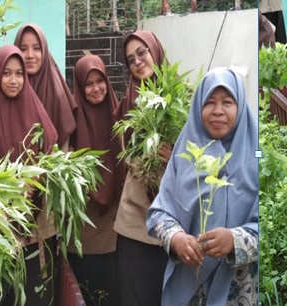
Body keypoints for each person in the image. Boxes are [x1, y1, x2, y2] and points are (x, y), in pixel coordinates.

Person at [147, 67, 258, 305]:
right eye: (210, 102)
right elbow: (159, 212)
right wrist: (176, 239)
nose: (218, 111)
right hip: (190, 288)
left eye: (227, 102)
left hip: (239, 288)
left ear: (239, 106)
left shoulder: (258, 154)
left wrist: (234, 240)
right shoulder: (185, 151)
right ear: (199, 107)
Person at [0, 45, 60, 306]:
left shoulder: (37, 112)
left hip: (35, 232)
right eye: (6, 73)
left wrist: (38, 179)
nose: (13, 80)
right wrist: (10, 187)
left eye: (19, 73)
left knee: (34, 297)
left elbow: (52, 161)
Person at [113, 30, 172, 306]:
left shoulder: (180, 98)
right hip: (135, 221)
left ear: (155, 51)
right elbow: (123, 155)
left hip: (174, 224)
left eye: (142, 53)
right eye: (130, 59)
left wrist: (175, 157)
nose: (137, 62)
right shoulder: (128, 104)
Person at [68, 53, 127, 305]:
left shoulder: (120, 117)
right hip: (84, 232)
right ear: (80, 88)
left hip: (117, 230)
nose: (96, 89)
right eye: (88, 84)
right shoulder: (70, 124)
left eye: (99, 81)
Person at [14, 24, 78, 150]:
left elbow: (64, 140)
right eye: (23, 48)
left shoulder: (57, 93)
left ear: (44, 50)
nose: (30, 55)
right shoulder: (10, 88)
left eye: (37, 48)